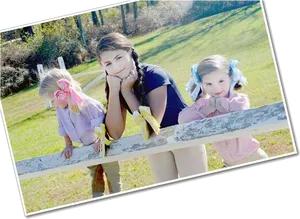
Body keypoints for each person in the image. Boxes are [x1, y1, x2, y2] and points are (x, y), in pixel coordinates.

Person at [95, 32, 208, 183]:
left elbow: (152, 125)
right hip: (155, 142)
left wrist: (127, 91)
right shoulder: (117, 84)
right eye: (108, 64)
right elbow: (115, 133)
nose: (115, 67)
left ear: (129, 52)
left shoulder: (155, 75)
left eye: (119, 58)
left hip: (183, 135)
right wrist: (115, 91)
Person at [38, 68, 121, 198]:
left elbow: (100, 122)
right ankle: (98, 200)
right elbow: (63, 127)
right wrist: (68, 145)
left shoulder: (87, 104)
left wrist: (101, 139)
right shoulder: (60, 110)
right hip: (87, 147)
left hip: (103, 144)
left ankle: (117, 198)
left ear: (62, 94)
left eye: (52, 101)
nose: (53, 105)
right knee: (95, 175)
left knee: (112, 174)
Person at [178, 54, 269, 167]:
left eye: (221, 81)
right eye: (209, 84)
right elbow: (182, 119)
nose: (216, 88)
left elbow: (242, 110)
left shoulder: (237, 99)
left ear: (230, 78)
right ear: (201, 85)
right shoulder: (205, 103)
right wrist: (207, 109)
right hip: (229, 164)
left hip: (254, 158)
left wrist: (222, 103)